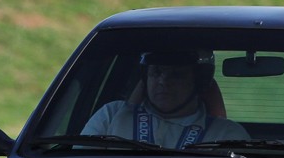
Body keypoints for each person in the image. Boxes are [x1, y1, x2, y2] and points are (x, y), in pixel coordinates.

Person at [81, 49, 246, 148]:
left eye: (177, 75)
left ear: (199, 82)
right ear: (145, 78)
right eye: (156, 72)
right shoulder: (111, 115)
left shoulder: (227, 135)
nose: (163, 82)